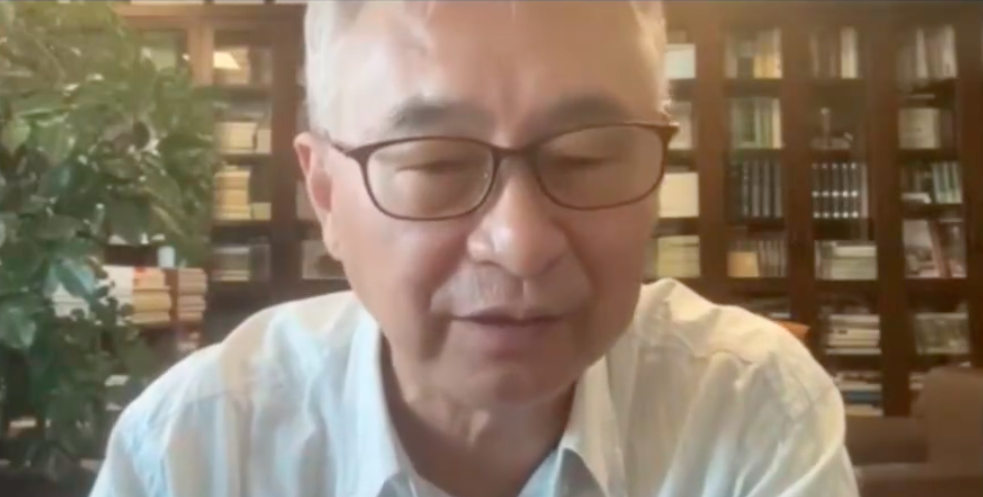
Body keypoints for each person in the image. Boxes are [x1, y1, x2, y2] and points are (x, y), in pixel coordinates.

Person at [90, 2, 860, 496]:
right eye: (435, 164)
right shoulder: (197, 448)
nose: (520, 245)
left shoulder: (744, 408)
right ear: (324, 194)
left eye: (587, 156)